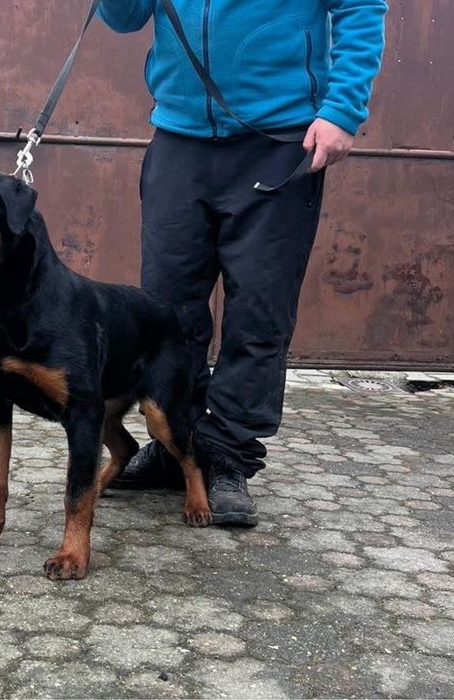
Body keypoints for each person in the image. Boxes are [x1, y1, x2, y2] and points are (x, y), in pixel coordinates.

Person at [99, 0, 387, 526]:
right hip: (179, 137)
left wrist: (342, 109)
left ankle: (228, 455)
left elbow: (361, 8)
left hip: (279, 139)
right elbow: (123, 18)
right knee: (167, 312)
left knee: (259, 310)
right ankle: (177, 445)